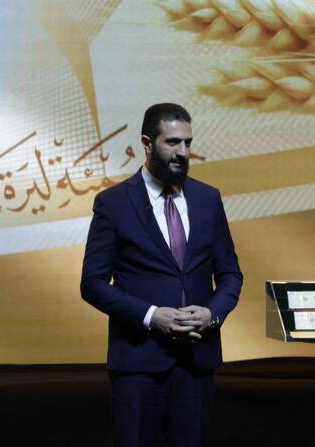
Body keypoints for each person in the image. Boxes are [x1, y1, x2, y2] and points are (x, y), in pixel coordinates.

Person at [81, 103, 243, 446]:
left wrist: (212, 313)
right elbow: (92, 284)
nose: (183, 152)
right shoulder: (113, 203)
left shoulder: (208, 199)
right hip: (138, 365)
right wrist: (151, 316)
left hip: (196, 363)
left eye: (187, 142)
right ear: (146, 143)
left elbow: (231, 275)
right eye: (172, 142)